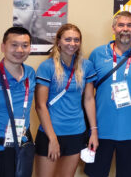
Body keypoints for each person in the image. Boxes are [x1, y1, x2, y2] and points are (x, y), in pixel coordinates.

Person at [84, 11, 131, 177]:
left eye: (129, 25)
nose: (125, 29)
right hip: (100, 131)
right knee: (96, 174)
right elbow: (88, 96)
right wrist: (92, 130)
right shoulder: (97, 54)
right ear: (113, 28)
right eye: (121, 25)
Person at [34, 23, 98, 177]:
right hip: (50, 133)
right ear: (59, 42)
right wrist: (53, 139)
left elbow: (89, 99)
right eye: (68, 39)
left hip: (76, 132)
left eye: (76, 40)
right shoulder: (46, 67)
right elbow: (40, 105)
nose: (72, 44)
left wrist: (94, 131)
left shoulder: (86, 66)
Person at [0, 27, 36, 176]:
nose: (19, 50)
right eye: (14, 45)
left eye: (25, 45)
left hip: (23, 148)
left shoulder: (31, 73)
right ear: (3, 46)